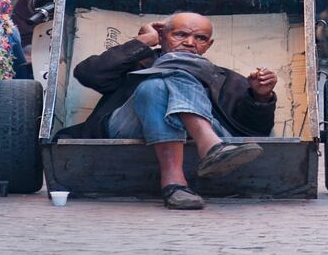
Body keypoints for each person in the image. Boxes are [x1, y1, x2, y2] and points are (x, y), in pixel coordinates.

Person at [63, 12, 277, 210]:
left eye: (200, 38)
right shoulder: (134, 63)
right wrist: (144, 41)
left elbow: (256, 131)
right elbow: (88, 74)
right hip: (128, 128)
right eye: (180, 34)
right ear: (163, 36)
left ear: (208, 45)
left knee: (153, 86)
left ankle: (174, 184)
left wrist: (260, 96)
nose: (190, 43)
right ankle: (210, 146)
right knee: (168, 74)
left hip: (198, 134)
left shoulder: (225, 78)